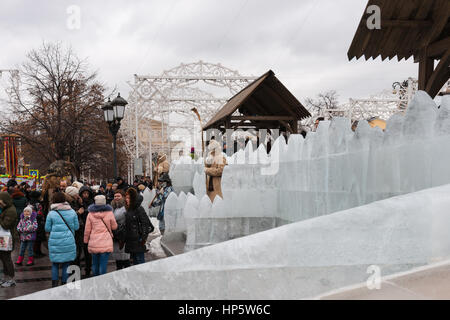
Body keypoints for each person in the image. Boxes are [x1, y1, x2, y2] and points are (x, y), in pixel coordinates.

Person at [45, 192, 79, 287]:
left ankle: (54, 284)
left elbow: (47, 228)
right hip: (69, 241)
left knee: (55, 264)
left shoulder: (51, 213)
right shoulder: (72, 212)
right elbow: (76, 227)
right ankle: (64, 283)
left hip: (55, 242)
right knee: (66, 264)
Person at [84, 195, 117, 276]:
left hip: (94, 242)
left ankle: (95, 280)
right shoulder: (109, 213)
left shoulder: (90, 214)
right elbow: (114, 227)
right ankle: (102, 282)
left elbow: (87, 230)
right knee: (103, 264)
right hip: (105, 242)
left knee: (94, 264)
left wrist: (85, 240)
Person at [125, 187, 153, 265]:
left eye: (128, 198)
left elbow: (145, 224)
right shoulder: (130, 209)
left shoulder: (139, 209)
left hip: (138, 240)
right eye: (126, 197)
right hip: (131, 240)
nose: (126, 199)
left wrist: (143, 238)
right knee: (135, 261)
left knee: (140, 261)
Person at [74, 185, 94, 277]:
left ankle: (88, 269)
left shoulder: (91, 203)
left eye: (87, 193)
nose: (85, 195)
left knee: (87, 252)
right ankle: (77, 270)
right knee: (78, 252)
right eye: (84, 193)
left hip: (88, 230)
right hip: (79, 230)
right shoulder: (77, 203)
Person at [0, 192, 17, 287]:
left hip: (7, 237)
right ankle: (6, 278)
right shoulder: (6, 208)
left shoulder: (11, 210)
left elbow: (6, 225)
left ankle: (11, 279)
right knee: (3, 258)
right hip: (3, 237)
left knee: (6, 258)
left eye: (1, 202)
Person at [111, 190, 130, 270]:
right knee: (118, 257)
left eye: (118, 196)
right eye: (115, 196)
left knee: (124, 256)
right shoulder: (113, 206)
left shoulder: (125, 207)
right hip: (116, 235)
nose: (116, 198)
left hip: (123, 234)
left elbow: (114, 218)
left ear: (123, 197)